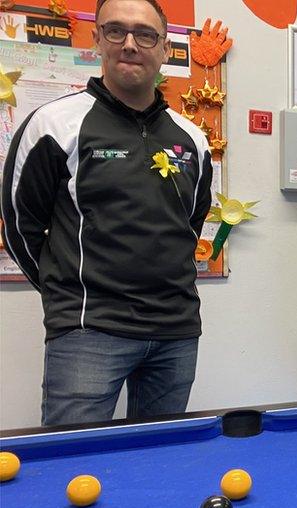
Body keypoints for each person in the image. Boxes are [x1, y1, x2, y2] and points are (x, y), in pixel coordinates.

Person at [0, 0, 212, 426]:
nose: (130, 44)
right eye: (116, 31)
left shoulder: (192, 139)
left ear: (164, 49)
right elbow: (21, 228)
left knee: (158, 463)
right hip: (88, 332)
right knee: (72, 464)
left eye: (145, 34)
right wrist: (66, 293)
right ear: (97, 39)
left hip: (175, 331)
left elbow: (189, 224)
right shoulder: (53, 125)